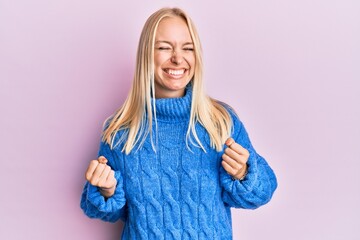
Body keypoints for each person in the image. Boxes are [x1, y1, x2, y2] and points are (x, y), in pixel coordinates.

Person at [80, 7, 277, 239]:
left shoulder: (220, 123)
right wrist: (106, 190)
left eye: (188, 48)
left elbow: (263, 192)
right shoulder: (121, 130)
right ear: (146, 55)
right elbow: (104, 211)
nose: (177, 58)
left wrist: (244, 172)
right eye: (164, 47)